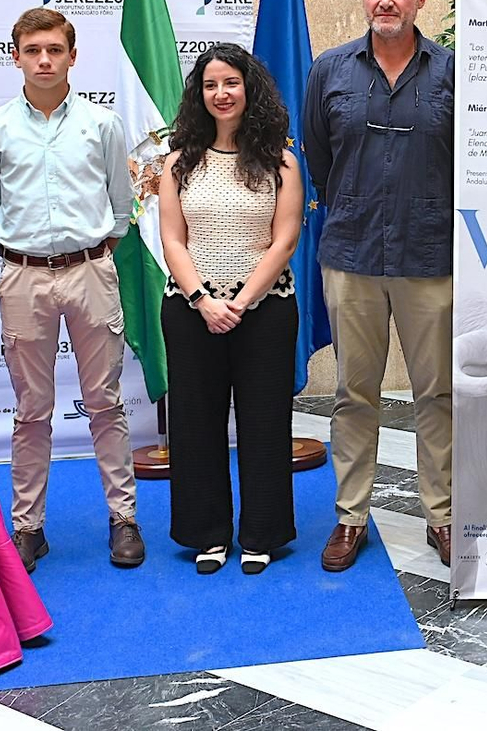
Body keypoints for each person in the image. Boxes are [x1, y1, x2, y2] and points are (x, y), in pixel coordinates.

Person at [0, 7, 144, 572]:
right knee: (31, 409)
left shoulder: (102, 124)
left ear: (73, 56)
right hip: (22, 274)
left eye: (54, 50)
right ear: (15, 56)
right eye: (32, 50)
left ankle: (123, 518)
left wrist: (88, 255)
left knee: (105, 401)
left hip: (91, 269)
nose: (44, 60)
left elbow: (121, 208)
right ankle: (28, 527)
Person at [303, 0, 455, 572]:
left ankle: (443, 516)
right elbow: (318, 157)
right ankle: (350, 517)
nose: (386, 0)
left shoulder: (455, 72)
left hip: (432, 256)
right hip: (353, 252)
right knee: (352, 392)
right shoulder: (330, 70)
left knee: (438, 394)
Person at [159, 44, 303, 575]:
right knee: (195, 423)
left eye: (231, 83)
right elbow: (173, 240)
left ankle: (262, 532)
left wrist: (239, 303)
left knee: (265, 422)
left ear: (250, 89)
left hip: (263, 311)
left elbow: (284, 240)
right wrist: (202, 300)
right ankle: (207, 533)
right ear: (200, 94)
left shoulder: (281, 161)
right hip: (191, 309)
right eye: (210, 85)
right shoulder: (178, 162)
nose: (221, 94)